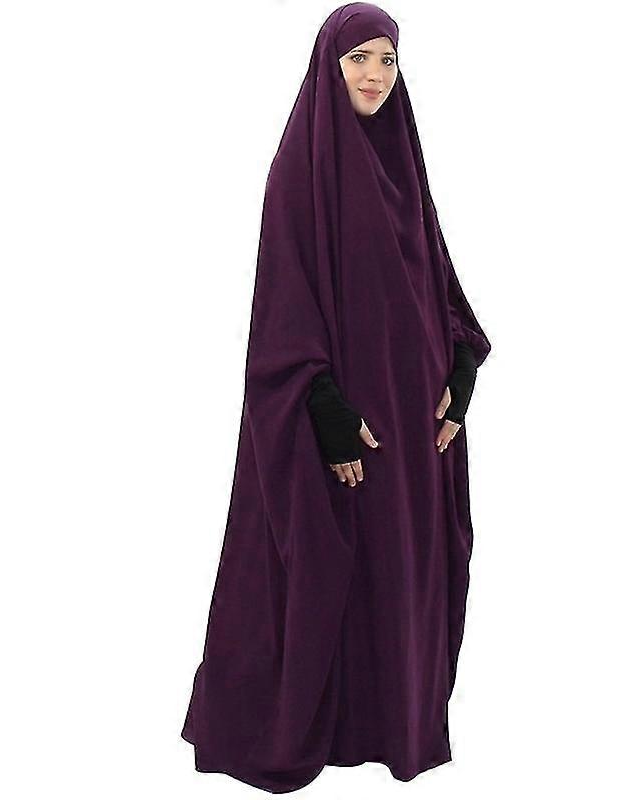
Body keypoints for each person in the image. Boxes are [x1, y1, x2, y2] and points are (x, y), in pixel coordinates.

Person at [181, 3, 491, 793]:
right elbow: (283, 305)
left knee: (403, 572)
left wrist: (459, 375)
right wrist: (324, 409)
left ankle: (389, 727)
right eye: (358, 58)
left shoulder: (403, 165)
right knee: (328, 569)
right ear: (329, 65)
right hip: (352, 416)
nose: (374, 75)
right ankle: (319, 730)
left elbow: (441, 289)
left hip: (418, 426)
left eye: (388, 60)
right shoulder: (301, 171)